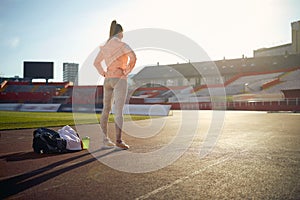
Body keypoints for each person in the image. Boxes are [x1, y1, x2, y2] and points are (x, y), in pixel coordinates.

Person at [94, 20, 137, 150]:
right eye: (122, 33)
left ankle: (104, 140)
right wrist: (127, 70)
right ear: (119, 33)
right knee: (118, 110)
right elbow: (134, 57)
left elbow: (96, 62)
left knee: (105, 109)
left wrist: (103, 73)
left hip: (107, 79)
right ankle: (118, 141)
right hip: (119, 78)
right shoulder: (122, 44)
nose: (123, 35)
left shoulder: (105, 46)